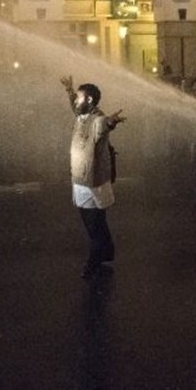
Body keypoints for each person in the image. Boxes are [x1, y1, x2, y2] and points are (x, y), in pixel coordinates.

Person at [60, 75, 126, 279]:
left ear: (89, 100)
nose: (76, 102)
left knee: (93, 225)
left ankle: (93, 262)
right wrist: (70, 91)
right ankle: (107, 252)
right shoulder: (82, 115)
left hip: (92, 183)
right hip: (81, 180)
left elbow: (104, 125)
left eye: (79, 98)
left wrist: (111, 122)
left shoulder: (96, 120)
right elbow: (75, 107)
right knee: (96, 222)